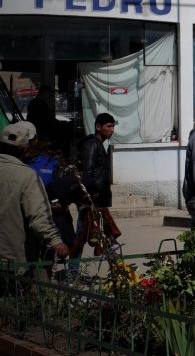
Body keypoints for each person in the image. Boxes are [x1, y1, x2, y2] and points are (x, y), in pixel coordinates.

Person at [0, 121, 69, 267]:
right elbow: (38, 215)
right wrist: (55, 241)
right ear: (26, 148)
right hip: (11, 260)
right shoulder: (26, 175)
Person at [74, 112, 120, 256]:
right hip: (91, 200)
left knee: (106, 235)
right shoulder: (92, 144)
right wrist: (92, 193)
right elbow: (88, 172)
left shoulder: (99, 144)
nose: (111, 129)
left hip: (98, 199)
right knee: (81, 237)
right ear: (98, 127)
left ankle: (118, 273)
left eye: (113, 126)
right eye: (109, 126)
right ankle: (72, 273)